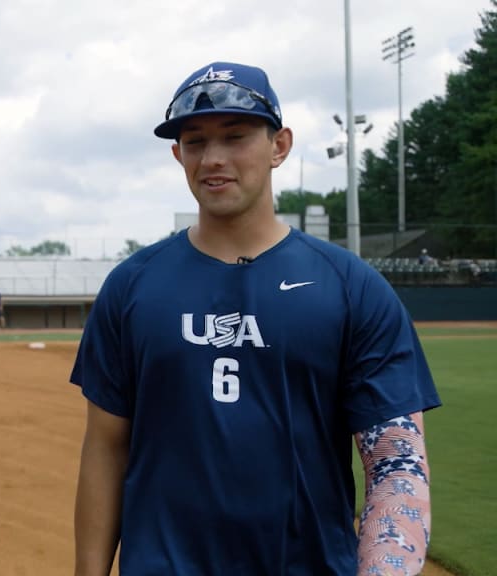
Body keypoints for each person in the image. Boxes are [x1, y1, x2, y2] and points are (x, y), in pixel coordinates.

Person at [71, 62, 440, 575]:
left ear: (279, 146)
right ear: (178, 154)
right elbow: (107, 449)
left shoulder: (351, 287)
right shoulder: (131, 286)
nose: (213, 158)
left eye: (236, 136)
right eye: (195, 141)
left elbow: (395, 462)